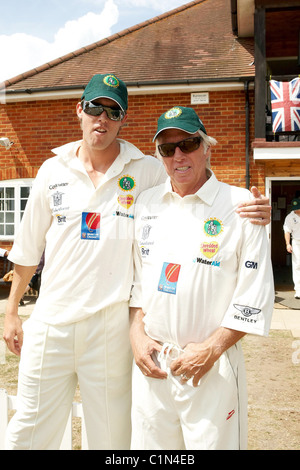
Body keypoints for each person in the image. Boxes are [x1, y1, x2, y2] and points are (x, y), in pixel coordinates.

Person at [3, 75, 270, 450]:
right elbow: (28, 249)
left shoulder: (145, 169)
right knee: (29, 431)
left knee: (112, 438)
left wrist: (252, 206)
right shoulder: (56, 172)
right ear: (79, 109)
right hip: (55, 321)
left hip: (112, 328)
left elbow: (195, 183)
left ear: (123, 120)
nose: (102, 117)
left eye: (113, 111)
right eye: (95, 107)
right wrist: (13, 309)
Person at [129, 106, 274, 450]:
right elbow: (137, 284)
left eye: (188, 143)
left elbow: (253, 297)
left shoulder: (241, 206)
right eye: (167, 148)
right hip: (154, 366)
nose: (178, 155)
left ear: (207, 146)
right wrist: (136, 334)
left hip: (211, 368)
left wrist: (211, 349)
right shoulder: (146, 204)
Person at [283, 198, 300, 299]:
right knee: (297, 265)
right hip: (297, 242)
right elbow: (287, 231)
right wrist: (288, 244)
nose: (296, 210)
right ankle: (298, 290)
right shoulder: (290, 217)